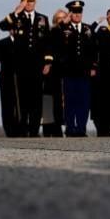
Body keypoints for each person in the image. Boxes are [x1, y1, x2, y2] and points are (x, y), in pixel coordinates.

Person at [0, 0, 52, 136]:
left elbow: (47, 42)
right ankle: (22, 129)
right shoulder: (16, 17)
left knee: (36, 99)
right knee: (22, 100)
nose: (29, 4)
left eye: (32, 1)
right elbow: (2, 26)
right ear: (22, 2)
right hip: (20, 66)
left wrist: (47, 62)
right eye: (26, 1)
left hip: (37, 66)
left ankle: (34, 129)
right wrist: (15, 13)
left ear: (36, 2)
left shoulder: (43, 19)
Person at [52, 0, 97, 137]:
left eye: (79, 12)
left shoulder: (87, 29)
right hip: (69, 71)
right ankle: (70, 128)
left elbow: (93, 49)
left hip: (84, 72)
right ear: (70, 14)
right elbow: (53, 37)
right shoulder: (63, 28)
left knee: (83, 101)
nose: (77, 15)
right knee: (70, 101)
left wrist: (93, 66)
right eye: (74, 12)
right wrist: (62, 23)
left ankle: (81, 128)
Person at [92, 7, 110, 137]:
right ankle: (105, 128)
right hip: (105, 73)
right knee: (105, 103)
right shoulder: (103, 30)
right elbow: (97, 38)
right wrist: (96, 23)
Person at [41, 9, 68, 137]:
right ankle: (47, 128)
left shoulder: (69, 32)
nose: (62, 20)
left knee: (60, 101)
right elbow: (49, 48)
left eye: (64, 17)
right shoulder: (52, 31)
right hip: (52, 70)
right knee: (48, 99)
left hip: (64, 70)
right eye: (59, 18)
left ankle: (58, 128)